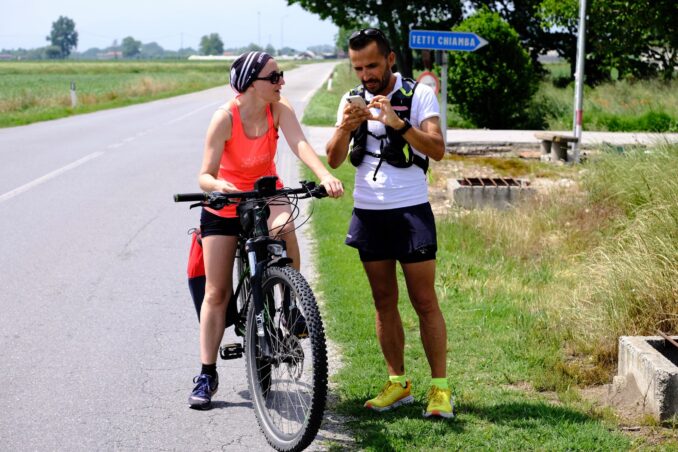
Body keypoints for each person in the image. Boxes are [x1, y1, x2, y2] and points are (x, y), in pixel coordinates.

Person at [189, 51, 344, 409]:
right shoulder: (224, 118)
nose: (281, 82)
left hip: (265, 190)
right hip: (226, 201)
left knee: (286, 223)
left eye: (281, 75)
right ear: (249, 84)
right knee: (216, 292)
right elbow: (204, 174)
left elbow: (300, 144)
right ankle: (206, 373)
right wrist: (218, 186)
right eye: (273, 77)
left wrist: (324, 176)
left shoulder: (279, 109)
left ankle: (289, 306)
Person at [326, 28, 452, 418]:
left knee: (424, 302)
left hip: (410, 210)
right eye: (358, 67)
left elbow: (438, 149)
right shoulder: (350, 100)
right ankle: (398, 383)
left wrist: (398, 124)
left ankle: (440, 390)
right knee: (383, 303)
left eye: (373, 65)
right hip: (368, 213)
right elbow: (332, 160)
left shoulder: (419, 94)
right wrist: (346, 126)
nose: (366, 75)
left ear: (391, 60)